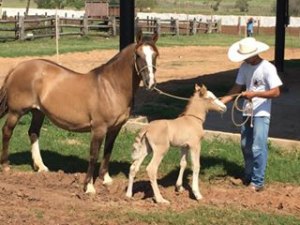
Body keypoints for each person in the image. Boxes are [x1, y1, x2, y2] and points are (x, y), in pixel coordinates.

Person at [221, 37, 283, 192]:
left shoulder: (267, 68)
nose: (244, 59)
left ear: (254, 54)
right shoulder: (244, 67)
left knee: (257, 146)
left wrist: (255, 94)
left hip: (261, 113)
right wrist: (222, 102)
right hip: (248, 110)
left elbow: (276, 92)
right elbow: (236, 87)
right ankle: (248, 175)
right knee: (245, 144)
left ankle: (258, 181)